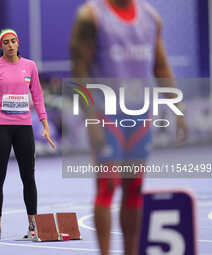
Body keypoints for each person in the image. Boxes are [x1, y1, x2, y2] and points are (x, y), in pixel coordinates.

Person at [70, 0, 188, 254]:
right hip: (106, 116)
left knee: (134, 188)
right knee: (107, 187)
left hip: (140, 116)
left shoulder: (150, 17)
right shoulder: (90, 16)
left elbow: (161, 65)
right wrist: (90, 115)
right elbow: (79, 70)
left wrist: (178, 108)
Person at [0, 28, 55, 240]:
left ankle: (32, 226)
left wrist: (45, 125)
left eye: (13, 41)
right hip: (1, 128)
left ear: (18, 43)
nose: (10, 45)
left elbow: (37, 96)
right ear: (1, 46)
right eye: (6, 42)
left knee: (28, 177)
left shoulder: (30, 66)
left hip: (24, 129)